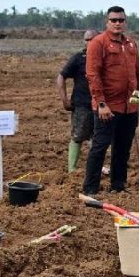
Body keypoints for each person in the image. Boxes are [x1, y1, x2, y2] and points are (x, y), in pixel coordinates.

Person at [82, 6, 139, 195]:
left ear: (125, 22)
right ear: (107, 22)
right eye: (114, 20)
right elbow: (93, 75)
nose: (117, 23)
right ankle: (90, 189)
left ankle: (118, 185)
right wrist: (101, 103)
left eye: (121, 20)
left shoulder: (131, 44)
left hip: (129, 106)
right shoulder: (98, 43)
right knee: (100, 147)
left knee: (123, 148)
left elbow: (138, 72)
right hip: (107, 106)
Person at [56, 30, 98, 172]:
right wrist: (64, 99)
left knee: (98, 138)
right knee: (78, 136)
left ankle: (94, 168)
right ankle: (72, 169)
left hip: (101, 105)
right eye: (86, 40)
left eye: (92, 39)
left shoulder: (105, 57)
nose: (89, 43)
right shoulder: (78, 58)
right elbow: (61, 76)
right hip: (82, 105)